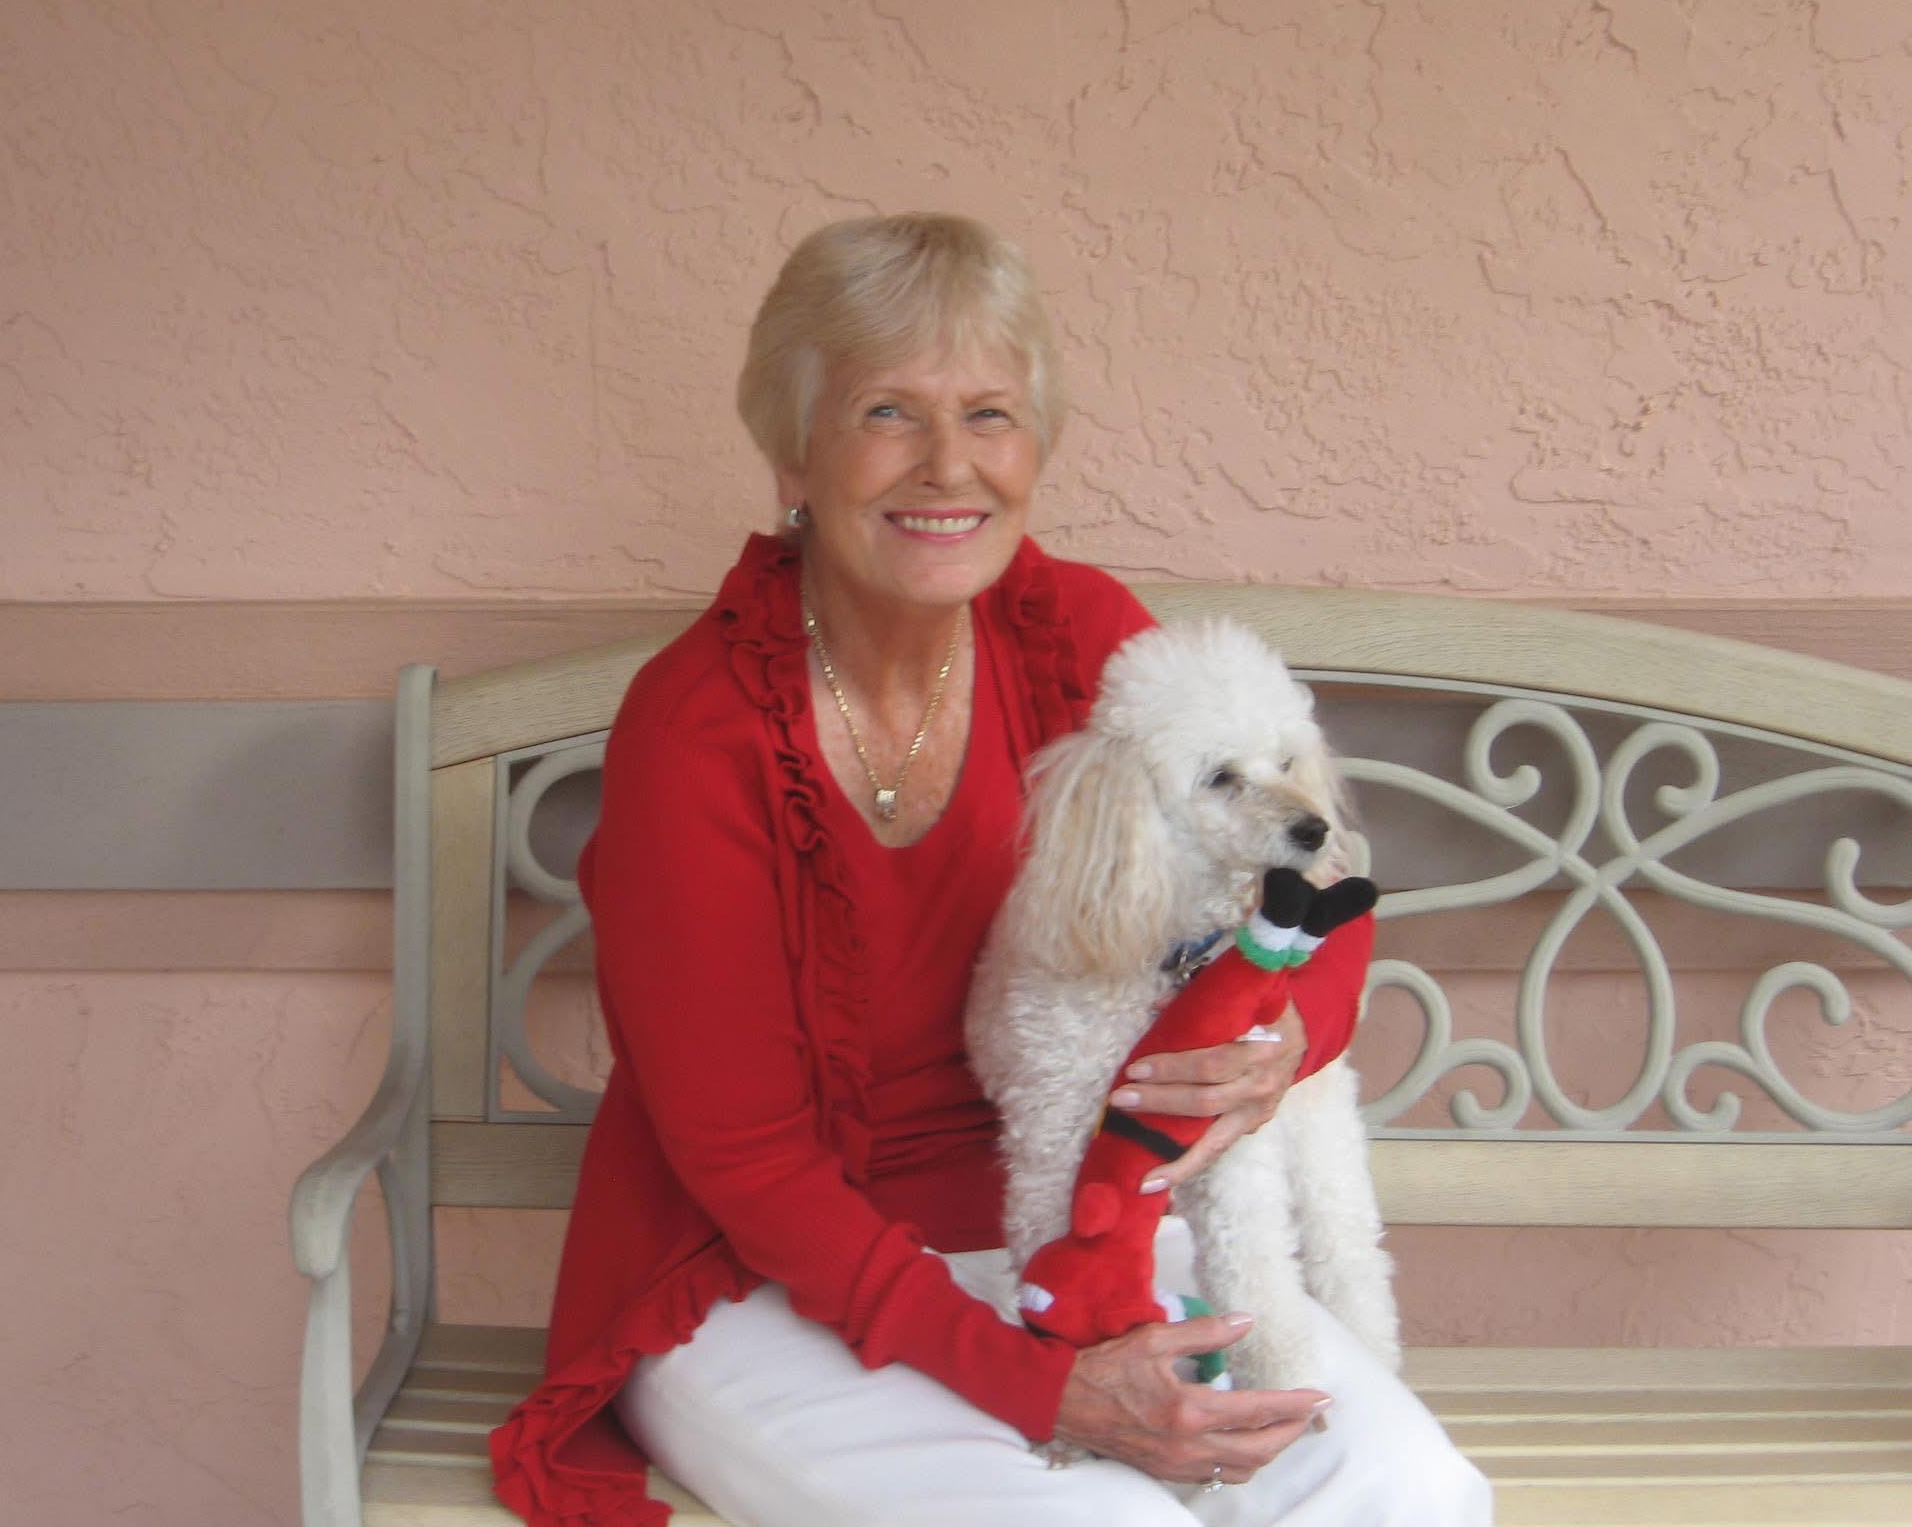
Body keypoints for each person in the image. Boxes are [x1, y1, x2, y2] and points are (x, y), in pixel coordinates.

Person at [489, 213, 1491, 1527]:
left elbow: (1311, 867)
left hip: (1093, 1218)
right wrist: (1043, 1386)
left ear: (1037, 445)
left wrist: (1289, 1029)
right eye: (887, 414)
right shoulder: (700, 734)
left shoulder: (1082, 637)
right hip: (773, 1282)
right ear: (793, 452)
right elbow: (749, 1163)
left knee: (1403, 1492)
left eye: (990, 416)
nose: (947, 466)